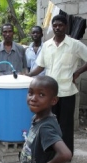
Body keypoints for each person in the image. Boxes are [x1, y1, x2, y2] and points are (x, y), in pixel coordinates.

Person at [26, 15, 87, 155]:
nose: (57, 28)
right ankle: (52, 153)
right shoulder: (47, 45)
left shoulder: (74, 44)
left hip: (67, 91)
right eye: (55, 25)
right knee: (50, 123)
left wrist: (77, 72)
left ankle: (66, 154)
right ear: (52, 27)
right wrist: (29, 75)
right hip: (50, 93)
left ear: (66, 27)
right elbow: (40, 66)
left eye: (60, 25)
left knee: (66, 125)